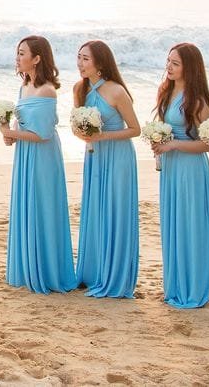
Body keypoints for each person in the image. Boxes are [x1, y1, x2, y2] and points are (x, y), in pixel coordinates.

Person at [4, 35, 77, 294]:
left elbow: (42, 134)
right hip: (25, 154)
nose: (17, 57)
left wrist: (12, 133)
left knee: (42, 206)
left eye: (22, 53)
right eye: (17, 52)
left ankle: (46, 270)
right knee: (26, 205)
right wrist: (9, 134)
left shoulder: (47, 90)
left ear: (36, 59)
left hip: (43, 156)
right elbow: (21, 127)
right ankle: (27, 267)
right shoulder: (23, 87)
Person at [70, 40, 139, 299]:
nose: (80, 63)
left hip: (118, 156)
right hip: (94, 157)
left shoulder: (116, 91)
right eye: (79, 57)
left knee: (115, 210)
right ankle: (92, 272)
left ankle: (114, 275)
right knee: (95, 209)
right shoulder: (79, 89)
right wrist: (82, 134)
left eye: (85, 59)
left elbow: (135, 129)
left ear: (100, 63)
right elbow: (76, 125)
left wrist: (102, 136)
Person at [152, 43, 209, 309]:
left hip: (190, 168)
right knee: (173, 223)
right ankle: (175, 285)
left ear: (189, 68)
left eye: (175, 63)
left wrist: (174, 144)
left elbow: (208, 144)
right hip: (170, 167)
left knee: (191, 224)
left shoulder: (197, 101)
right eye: (168, 61)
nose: (169, 67)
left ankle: (194, 288)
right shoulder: (166, 92)